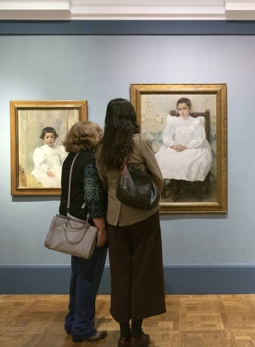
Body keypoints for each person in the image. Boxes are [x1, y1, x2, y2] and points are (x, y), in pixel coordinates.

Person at [96, 98, 166, 347]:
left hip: (115, 218)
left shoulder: (102, 147)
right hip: (143, 217)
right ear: (130, 117)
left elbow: (105, 183)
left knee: (121, 274)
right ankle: (138, 333)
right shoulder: (139, 141)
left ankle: (123, 334)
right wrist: (146, 196)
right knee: (144, 273)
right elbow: (158, 178)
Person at [59, 121, 108, 343]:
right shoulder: (90, 161)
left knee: (77, 274)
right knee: (89, 276)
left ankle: (72, 322)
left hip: (71, 222)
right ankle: (83, 328)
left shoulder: (70, 160)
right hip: (89, 225)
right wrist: (101, 227)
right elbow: (93, 196)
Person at [155, 97, 212, 192]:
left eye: (185, 108)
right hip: (176, 148)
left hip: (192, 148)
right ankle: (174, 184)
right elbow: (167, 135)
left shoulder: (196, 121)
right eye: (180, 109)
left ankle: (185, 185)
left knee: (192, 161)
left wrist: (186, 147)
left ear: (190, 109)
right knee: (161, 158)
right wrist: (173, 145)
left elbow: (199, 138)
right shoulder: (174, 121)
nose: (182, 111)